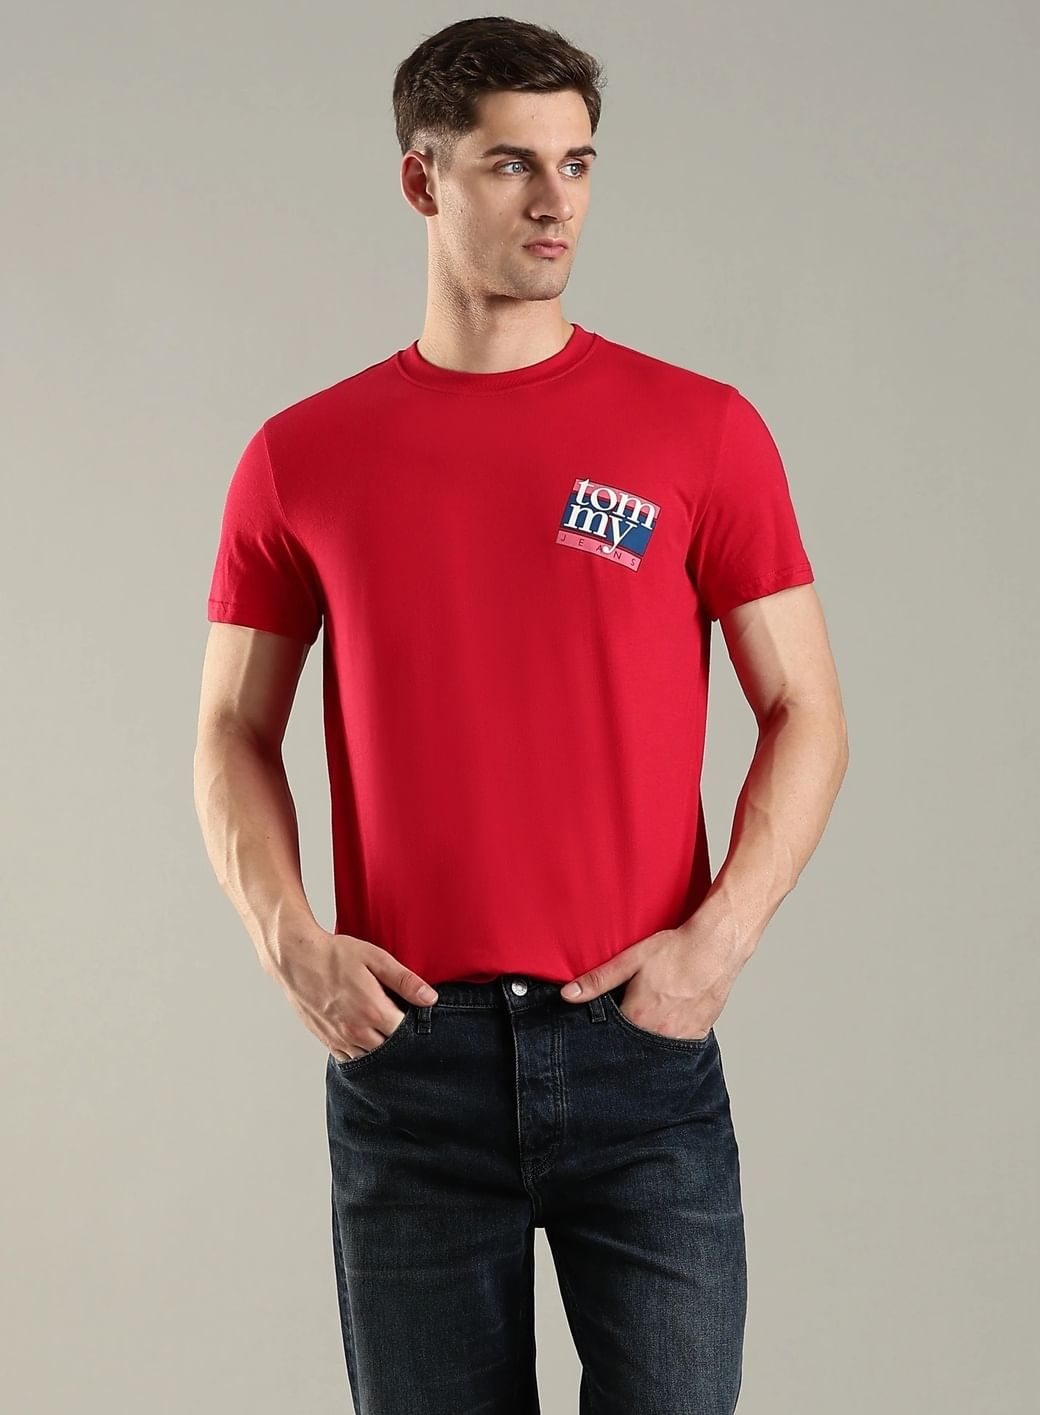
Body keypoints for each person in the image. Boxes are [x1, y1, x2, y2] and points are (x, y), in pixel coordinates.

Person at [193, 15, 848, 1414]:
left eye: (577, 162)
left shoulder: (699, 430)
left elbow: (805, 708)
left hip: (636, 1051)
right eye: (511, 163)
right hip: (412, 1060)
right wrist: (291, 946)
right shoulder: (301, 457)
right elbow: (231, 733)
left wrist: (717, 944)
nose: (556, 200)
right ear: (421, 179)